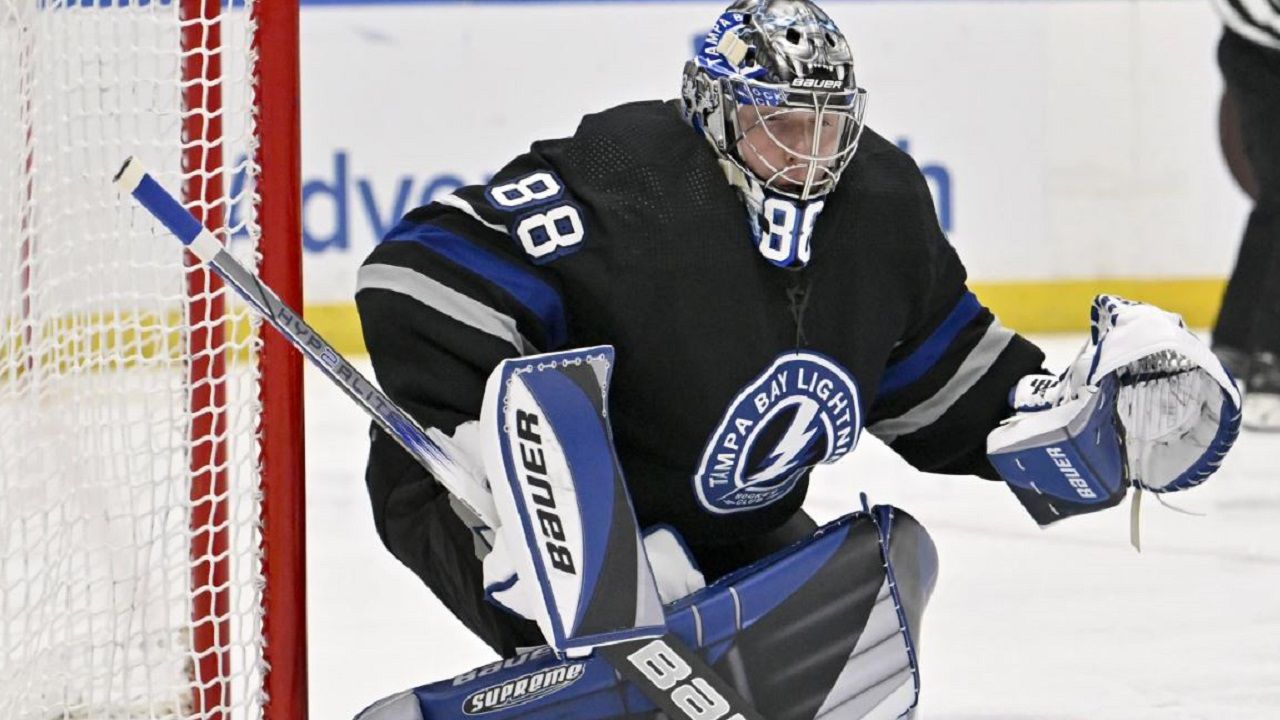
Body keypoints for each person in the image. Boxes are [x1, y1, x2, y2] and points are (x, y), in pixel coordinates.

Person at [354, 0, 1238, 672]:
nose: (810, 151)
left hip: (720, 530)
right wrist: (501, 466)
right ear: (714, 112)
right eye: (781, 122)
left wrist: (1066, 417)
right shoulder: (629, 176)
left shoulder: (879, 205)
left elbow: (937, 377)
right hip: (509, 509)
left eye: (828, 122)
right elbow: (412, 274)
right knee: (588, 564)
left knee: (876, 580)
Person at [1210, 0, 1280, 430]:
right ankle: (1269, 360)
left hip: (1257, 45)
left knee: (1275, 200)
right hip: (1258, 53)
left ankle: (1235, 341)